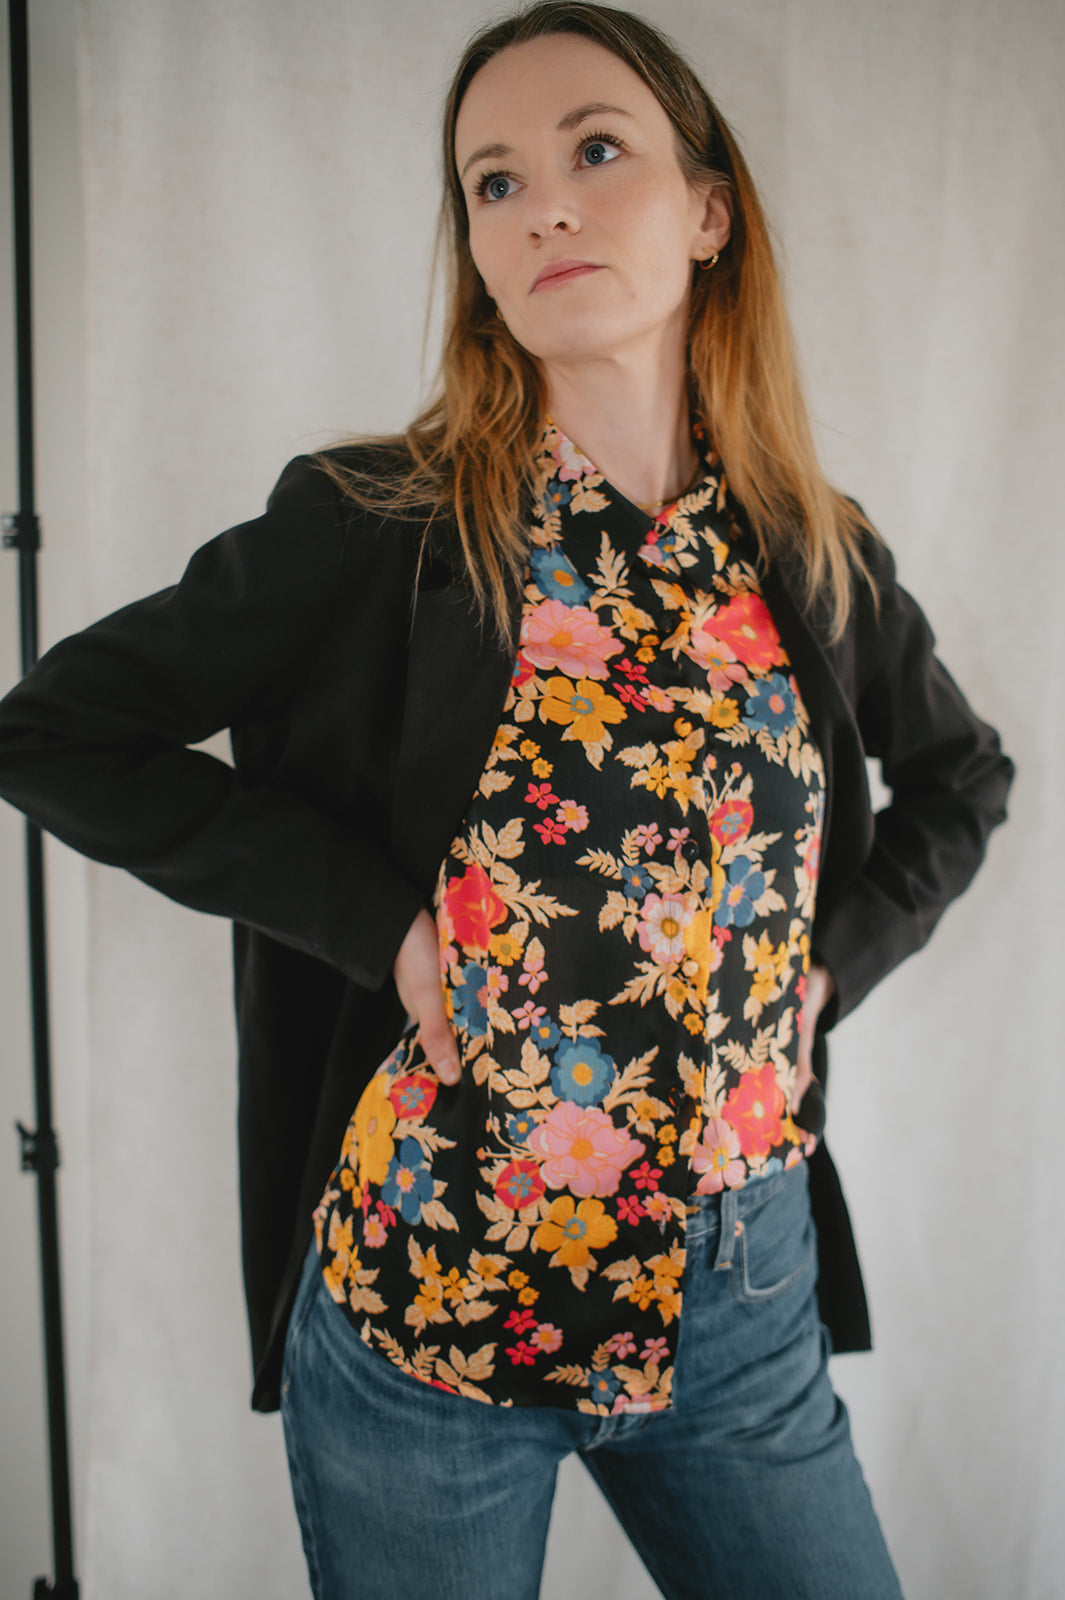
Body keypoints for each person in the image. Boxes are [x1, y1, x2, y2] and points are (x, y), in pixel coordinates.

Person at [0, 3, 1013, 1597]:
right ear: (474, 252)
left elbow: (961, 777)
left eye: (594, 151)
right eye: (494, 181)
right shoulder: (377, 524)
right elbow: (55, 732)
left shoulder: (813, 550)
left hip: (739, 1303)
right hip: (436, 1306)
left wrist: (831, 967)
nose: (543, 205)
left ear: (707, 211)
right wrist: (382, 929)